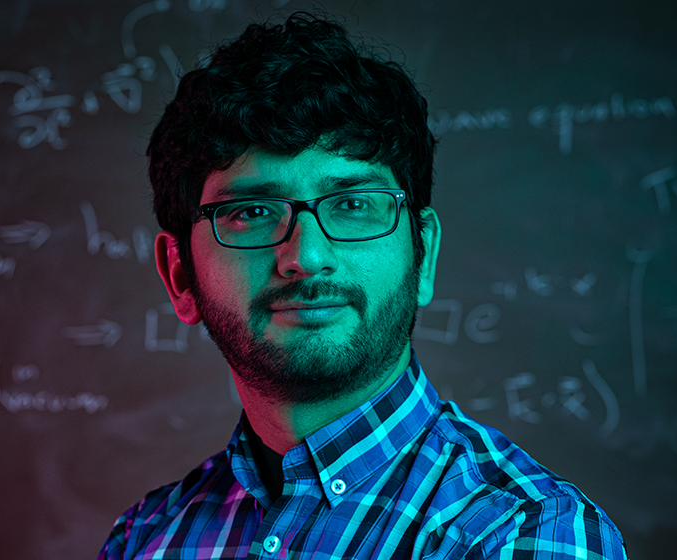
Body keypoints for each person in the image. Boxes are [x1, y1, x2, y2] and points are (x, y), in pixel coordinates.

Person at [98, 12, 628, 560]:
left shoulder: (525, 536)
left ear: (422, 256)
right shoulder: (145, 538)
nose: (305, 256)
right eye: (251, 211)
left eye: (353, 205)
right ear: (180, 273)